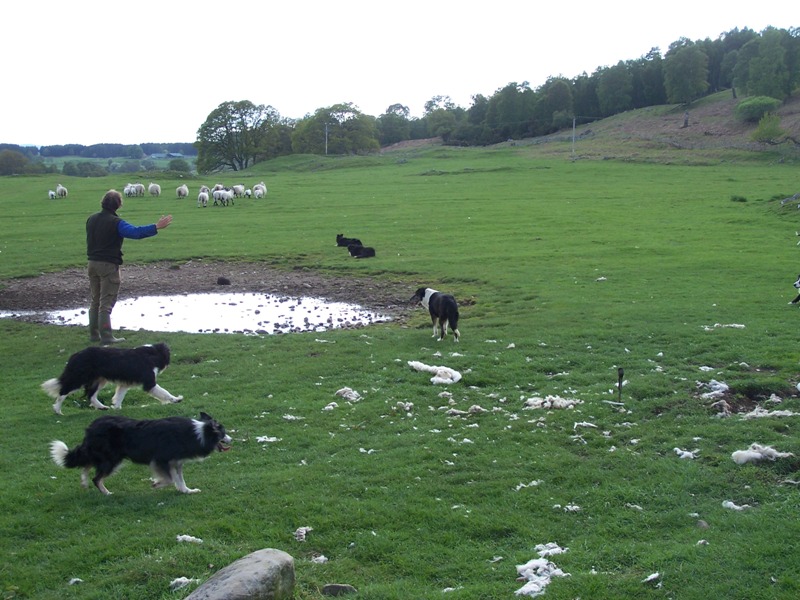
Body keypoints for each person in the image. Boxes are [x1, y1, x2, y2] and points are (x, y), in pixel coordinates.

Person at [86, 189, 173, 344]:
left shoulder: (91, 219)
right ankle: (106, 336)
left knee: (95, 299)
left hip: (92, 264)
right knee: (106, 301)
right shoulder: (116, 223)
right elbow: (135, 232)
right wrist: (156, 227)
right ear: (118, 205)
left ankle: (94, 334)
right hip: (108, 265)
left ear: (103, 202)